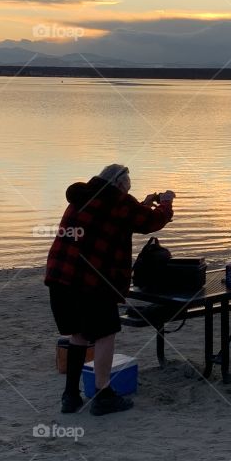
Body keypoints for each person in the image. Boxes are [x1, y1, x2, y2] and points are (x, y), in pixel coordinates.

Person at [45, 163, 175, 416]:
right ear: (119, 184)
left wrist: (142, 203)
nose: (128, 192)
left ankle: (70, 396)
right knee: (106, 334)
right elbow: (151, 222)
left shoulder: (83, 197)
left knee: (79, 335)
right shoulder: (119, 205)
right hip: (92, 282)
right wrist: (166, 203)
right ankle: (103, 395)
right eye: (127, 186)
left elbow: (120, 217)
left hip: (60, 277)